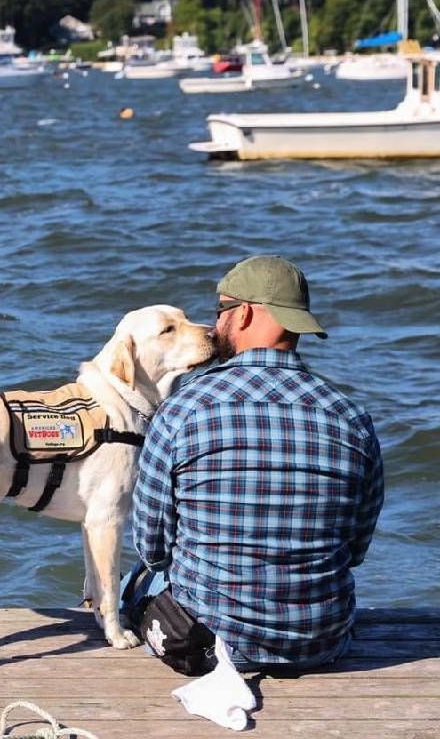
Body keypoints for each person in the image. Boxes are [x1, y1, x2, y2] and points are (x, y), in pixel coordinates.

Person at [126, 255, 384, 674]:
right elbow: (355, 549)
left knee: (136, 584)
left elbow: (152, 545)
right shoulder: (351, 418)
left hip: (209, 644)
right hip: (322, 642)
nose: (215, 326)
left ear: (243, 313)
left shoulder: (182, 410)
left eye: (220, 312)